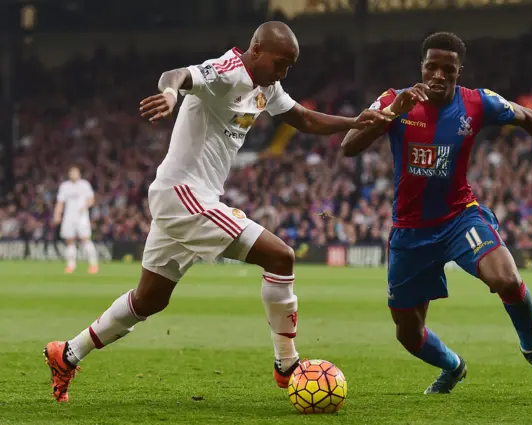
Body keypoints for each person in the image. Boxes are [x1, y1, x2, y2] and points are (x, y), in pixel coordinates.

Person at [43, 21, 391, 402]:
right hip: (185, 196)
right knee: (281, 257)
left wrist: (356, 121)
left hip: (187, 199)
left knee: (149, 300)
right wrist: (171, 94)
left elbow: (302, 118)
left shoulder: (266, 86)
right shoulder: (226, 72)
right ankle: (287, 365)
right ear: (256, 50)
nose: (283, 73)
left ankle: (68, 353)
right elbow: (175, 74)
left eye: (289, 66)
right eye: (280, 63)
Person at [341, 32, 532, 394]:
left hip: (459, 217)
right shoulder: (395, 100)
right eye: (431, 67)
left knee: (507, 279)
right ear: (421, 67)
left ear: (458, 72)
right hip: (410, 230)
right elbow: (348, 147)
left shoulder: (477, 103)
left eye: (447, 69)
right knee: (408, 332)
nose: (438, 75)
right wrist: (391, 114)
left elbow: (529, 117)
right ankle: (453, 366)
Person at [52, 166, 99, 274]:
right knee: (69, 240)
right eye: (71, 173)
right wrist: (57, 215)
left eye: (75, 172)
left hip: (82, 216)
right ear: (69, 174)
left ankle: (93, 264)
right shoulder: (65, 186)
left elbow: (91, 199)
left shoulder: (84, 184)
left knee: (85, 239)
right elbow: (60, 202)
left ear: (79, 174)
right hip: (69, 216)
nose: (73, 174)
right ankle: (71, 265)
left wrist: (85, 206)